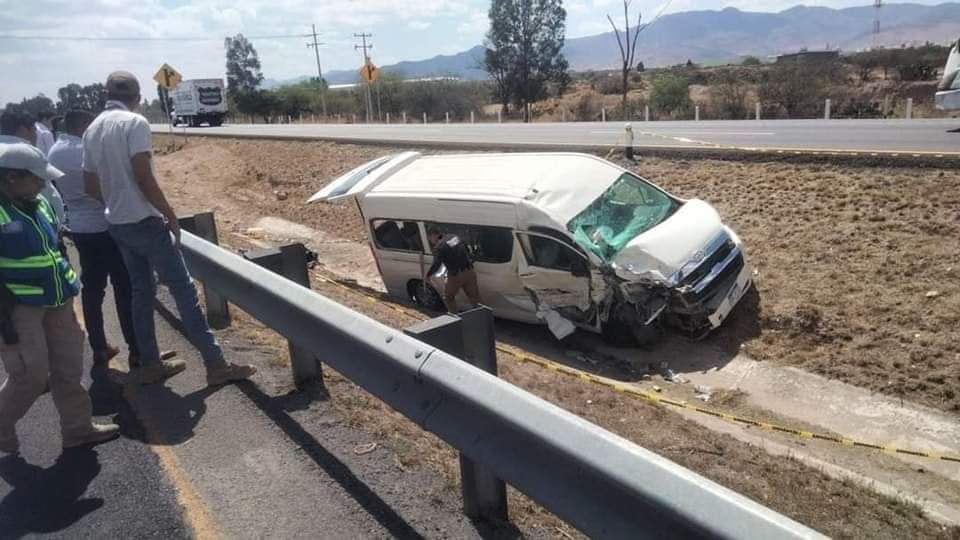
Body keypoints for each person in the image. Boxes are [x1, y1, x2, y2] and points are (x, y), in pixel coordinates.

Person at [82, 71, 255, 386]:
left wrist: (116, 202)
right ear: (136, 97)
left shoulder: (92, 130)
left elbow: (90, 185)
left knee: (140, 293)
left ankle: (150, 363)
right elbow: (143, 175)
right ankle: (216, 365)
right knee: (184, 292)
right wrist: (169, 214)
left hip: (117, 224)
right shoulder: (135, 124)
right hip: (146, 222)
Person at [0, 140, 119, 455]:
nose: (43, 183)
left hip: (58, 299)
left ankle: (78, 430)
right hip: (18, 307)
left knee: (68, 367)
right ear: (11, 178)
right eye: (36, 177)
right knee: (31, 375)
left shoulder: (38, 202)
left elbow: (53, 246)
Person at [49, 110, 139, 367]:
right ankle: (137, 349)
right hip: (106, 225)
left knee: (92, 288)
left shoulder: (54, 151)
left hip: (79, 227)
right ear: (85, 125)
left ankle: (99, 347)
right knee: (124, 287)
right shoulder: (87, 150)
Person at [1, 110, 66, 227]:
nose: (36, 135)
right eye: (35, 130)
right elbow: (48, 195)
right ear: (23, 130)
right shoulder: (24, 154)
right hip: (36, 227)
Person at [425, 226, 481, 313]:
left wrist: (428, 275)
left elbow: (436, 264)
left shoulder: (439, 247)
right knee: (474, 297)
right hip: (469, 272)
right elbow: (466, 248)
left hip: (455, 276)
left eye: (429, 238)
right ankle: (482, 318)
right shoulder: (454, 237)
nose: (431, 241)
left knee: (448, 297)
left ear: (433, 235)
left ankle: (455, 318)